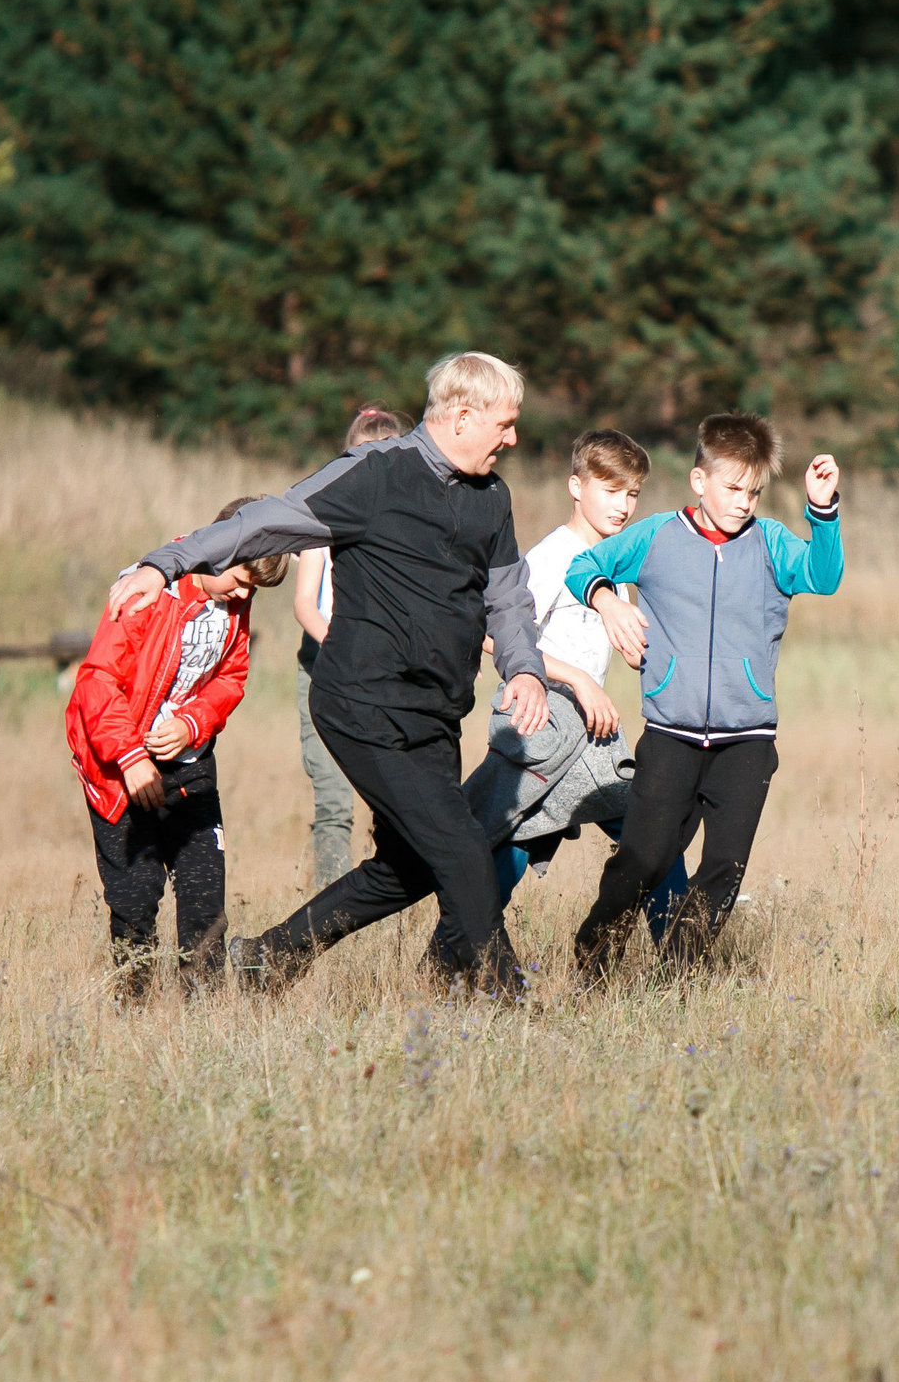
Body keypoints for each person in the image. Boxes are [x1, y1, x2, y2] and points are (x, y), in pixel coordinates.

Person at [106, 351, 552, 998]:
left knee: (410, 865)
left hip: (435, 712)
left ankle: (270, 955)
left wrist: (526, 670)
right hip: (360, 704)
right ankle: (505, 1001)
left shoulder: (493, 498)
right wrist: (165, 563)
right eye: (505, 424)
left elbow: (509, 596)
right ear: (461, 416)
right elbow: (263, 523)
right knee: (459, 848)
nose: (512, 438)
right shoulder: (374, 476)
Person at [563, 413, 843, 980]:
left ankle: (676, 977)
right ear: (699, 481)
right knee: (642, 860)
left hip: (748, 741)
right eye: (732, 488)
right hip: (670, 736)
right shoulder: (657, 536)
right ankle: (594, 952)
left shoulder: (770, 543)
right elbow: (583, 565)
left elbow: (824, 574)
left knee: (723, 869)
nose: (743, 502)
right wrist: (609, 602)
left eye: (753, 491)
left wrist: (823, 512)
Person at [462, 429, 689, 926]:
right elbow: (490, 634)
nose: (623, 505)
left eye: (632, 493)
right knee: (644, 836)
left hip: (586, 731)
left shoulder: (609, 567)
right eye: (610, 490)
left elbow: (633, 650)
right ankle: (683, 958)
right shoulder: (552, 558)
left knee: (533, 838)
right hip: (540, 719)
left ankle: (453, 953)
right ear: (575, 487)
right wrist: (580, 681)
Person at [65, 499, 289, 999]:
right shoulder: (148, 591)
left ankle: (202, 1025)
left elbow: (231, 677)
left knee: (206, 899)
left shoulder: (235, 597)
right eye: (241, 578)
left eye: (255, 589)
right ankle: (133, 1010)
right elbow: (96, 684)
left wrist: (193, 723)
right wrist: (131, 759)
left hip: (190, 765)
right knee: (134, 902)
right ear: (218, 547)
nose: (243, 593)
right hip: (119, 767)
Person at [290, 405, 410, 892]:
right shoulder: (325, 521)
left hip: (388, 677)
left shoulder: (406, 528)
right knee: (334, 802)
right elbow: (305, 605)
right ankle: (330, 907)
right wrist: (346, 651)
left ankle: (388, 890)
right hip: (326, 669)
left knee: (394, 800)